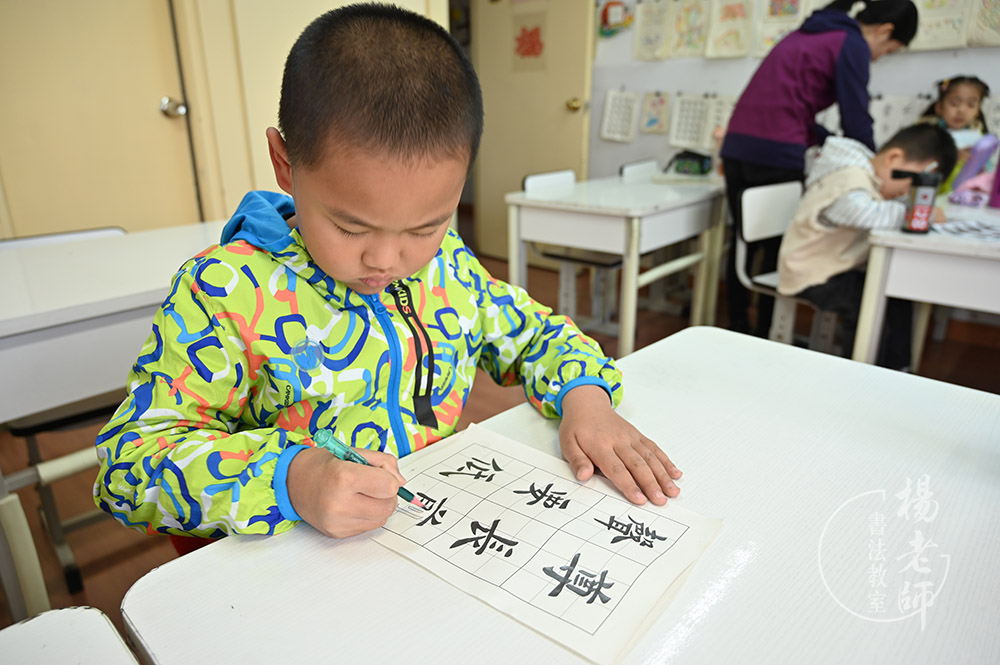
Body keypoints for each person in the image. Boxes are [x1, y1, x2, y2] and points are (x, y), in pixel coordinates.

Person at [93, 3, 681, 550]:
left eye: (425, 226)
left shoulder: (447, 264)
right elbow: (129, 463)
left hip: (428, 539)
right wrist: (292, 478)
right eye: (350, 228)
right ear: (284, 164)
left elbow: (536, 334)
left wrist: (585, 400)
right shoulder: (224, 292)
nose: (387, 260)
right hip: (294, 564)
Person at [720, 0, 918, 338]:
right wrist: (874, 170)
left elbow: (792, 109)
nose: (878, 58)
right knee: (776, 246)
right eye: (889, 50)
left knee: (744, 239)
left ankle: (737, 324)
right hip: (777, 152)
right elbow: (856, 119)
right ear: (885, 31)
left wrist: (830, 141)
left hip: (737, 144)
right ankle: (767, 333)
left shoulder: (807, 33)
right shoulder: (851, 42)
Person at [777, 124, 957, 369]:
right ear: (894, 158)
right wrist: (916, 214)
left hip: (835, 267)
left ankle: (897, 368)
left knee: (895, 294)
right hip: (810, 272)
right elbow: (859, 213)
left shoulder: (866, 176)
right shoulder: (849, 177)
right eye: (906, 188)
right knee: (869, 305)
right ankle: (863, 372)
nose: (903, 194)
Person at [917, 76, 993, 191]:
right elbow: (920, 168)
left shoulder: (980, 139)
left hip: (965, 196)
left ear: (977, 111)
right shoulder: (928, 135)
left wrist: (980, 172)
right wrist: (951, 159)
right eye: (954, 103)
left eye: (971, 105)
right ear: (939, 107)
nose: (961, 110)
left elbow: (986, 174)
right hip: (934, 193)